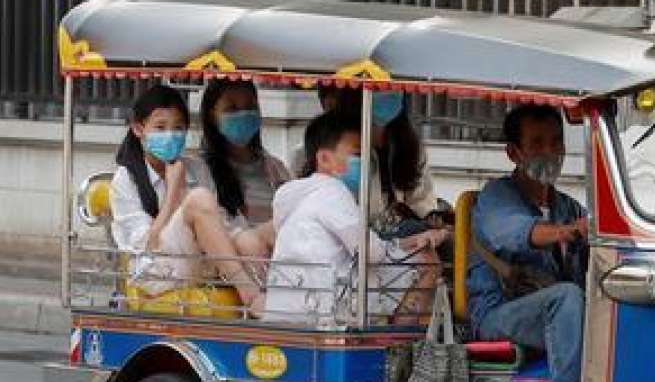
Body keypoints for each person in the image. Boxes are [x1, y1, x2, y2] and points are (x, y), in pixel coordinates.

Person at [264, 111, 445, 325]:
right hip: (325, 307)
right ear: (324, 159)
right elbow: (370, 250)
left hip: (282, 305)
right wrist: (405, 246)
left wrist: (400, 243)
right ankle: (396, 340)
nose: (365, 163)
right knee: (426, 260)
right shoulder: (333, 193)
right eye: (358, 155)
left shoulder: (294, 196)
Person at [467, 104, 588, 382]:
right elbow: (511, 234)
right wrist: (565, 232)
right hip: (498, 315)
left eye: (556, 142)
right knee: (567, 297)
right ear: (514, 153)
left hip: (552, 313)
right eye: (537, 143)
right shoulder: (495, 196)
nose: (550, 151)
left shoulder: (568, 207)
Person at [109, 84, 263, 312]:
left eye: (178, 128)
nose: (170, 135)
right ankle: (249, 294)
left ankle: (276, 304)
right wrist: (174, 192)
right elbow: (147, 245)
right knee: (199, 199)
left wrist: (248, 239)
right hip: (157, 268)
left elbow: (220, 221)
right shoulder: (126, 179)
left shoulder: (196, 167)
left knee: (250, 240)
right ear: (139, 128)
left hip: (200, 259)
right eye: (160, 127)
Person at [317, 88, 447, 237]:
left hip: (407, 238)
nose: (380, 131)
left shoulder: (410, 148)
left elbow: (422, 202)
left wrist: (428, 226)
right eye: (373, 123)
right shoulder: (339, 153)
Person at [193, 79, 292, 260]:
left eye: (250, 107)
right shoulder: (200, 170)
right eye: (232, 108)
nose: (243, 114)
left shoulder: (276, 168)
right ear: (212, 115)